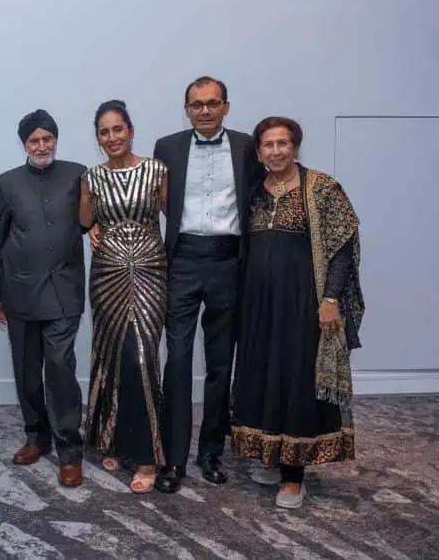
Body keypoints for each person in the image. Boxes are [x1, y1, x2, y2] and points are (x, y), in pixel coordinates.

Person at [231, 116, 363, 509]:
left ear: (296, 146)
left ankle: (294, 477)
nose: (275, 151)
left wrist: (330, 300)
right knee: (262, 378)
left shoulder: (320, 188)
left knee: (296, 382)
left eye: (282, 143)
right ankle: (271, 457)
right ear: (259, 152)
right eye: (268, 145)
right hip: (258, 306)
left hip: (302, 305)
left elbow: (342, 245)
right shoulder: (255, 191)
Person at [150, 76, 265, 494]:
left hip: (228, 262)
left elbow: (264, 196)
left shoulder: (248, 147)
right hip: (181, 261)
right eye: (197, 104)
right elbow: (151, 200)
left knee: (220, 365)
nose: (205, 110)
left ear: (226, 107)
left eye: (213, 103)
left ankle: (211, 453)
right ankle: (173, 458)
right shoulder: (167, 147)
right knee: (177, 361)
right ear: (186, 109)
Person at [0, 109, 86, 487]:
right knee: (28, 372)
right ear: (24, 144)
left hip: (64, 288)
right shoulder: (7, 182)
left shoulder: (79, 175)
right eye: (34, 141)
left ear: (56, 141)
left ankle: (69, 451)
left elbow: (91, 220)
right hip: (19, 289)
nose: (42, 146)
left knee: (60, 370)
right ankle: (36, 436)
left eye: (48, 139)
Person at [81, 101, 168, 493]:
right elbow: (84, 221)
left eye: (118, 129)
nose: (112, 137)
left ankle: (148, 455)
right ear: (98, 138)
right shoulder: (92, 177)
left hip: (150, 271)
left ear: (131, 131)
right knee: (111, 352)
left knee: (142, 357)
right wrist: (92, 229)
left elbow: (176, 216)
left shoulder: (156, 170)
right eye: (104, 132)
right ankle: (110, 436)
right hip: (107, 274)